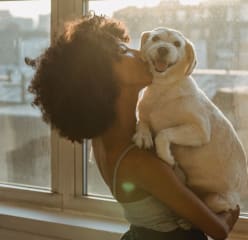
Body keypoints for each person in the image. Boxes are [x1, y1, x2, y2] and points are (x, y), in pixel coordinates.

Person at [26, 14, 239, 240]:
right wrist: (232, 209)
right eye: (122, 52)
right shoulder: (140, 163)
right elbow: (218, 229)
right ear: (99, 76)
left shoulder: (103, 141)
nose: (139, 53)